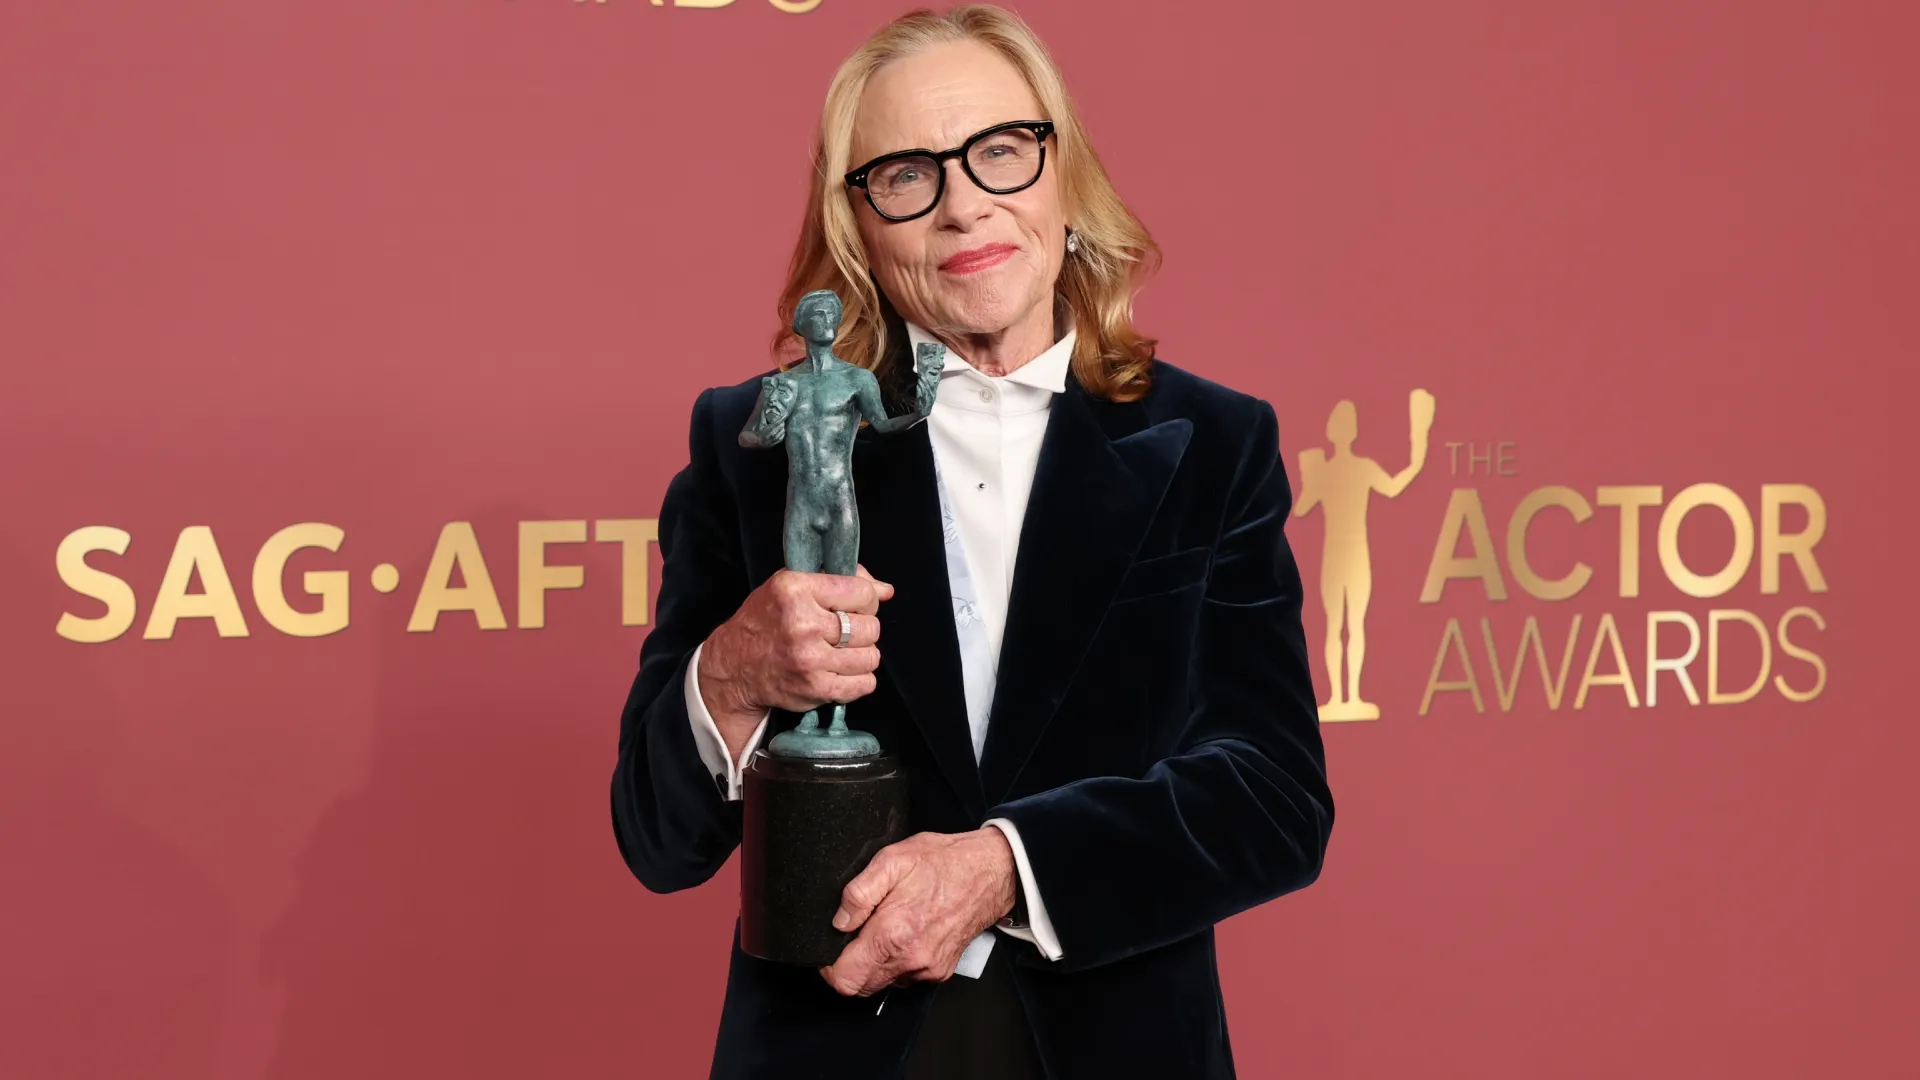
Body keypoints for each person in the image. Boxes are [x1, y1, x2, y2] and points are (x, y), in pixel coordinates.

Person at [610, 6, 1332, 1078]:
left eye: (1001, 151)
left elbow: (1273, 797)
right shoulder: (754, 442)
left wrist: (1007, 865)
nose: (965, 206)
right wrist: (730, 679)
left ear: (1063, 173)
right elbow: (657, 839)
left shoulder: (1216, 443)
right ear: (855, 225)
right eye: (906, 174)